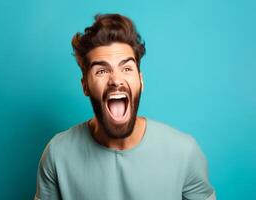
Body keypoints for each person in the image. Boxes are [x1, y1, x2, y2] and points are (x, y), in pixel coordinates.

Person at [34, 13, 216, 200]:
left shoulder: (184, 152)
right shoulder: (57, 154)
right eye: (102, 71)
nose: (116, 80)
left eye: (127, 68)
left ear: (141, 81)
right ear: (85, 86)